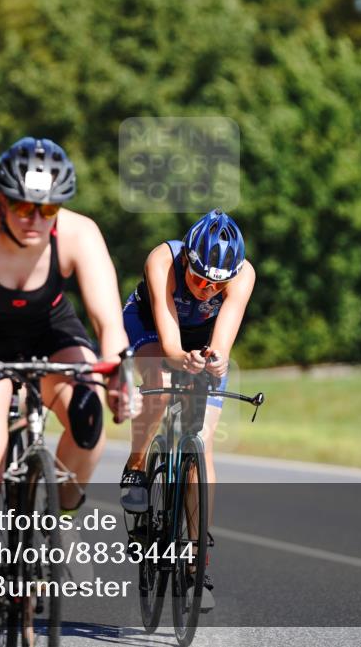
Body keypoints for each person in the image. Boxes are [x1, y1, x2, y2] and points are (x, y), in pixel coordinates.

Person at [0, 137, 133, 646]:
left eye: (47, 209)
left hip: (52, 336)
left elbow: (108, 321)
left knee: (89, 420)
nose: (35, 219)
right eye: (23, 206)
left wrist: (119, 375)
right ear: (1, 201)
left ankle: (58, 514)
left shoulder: (79, 233)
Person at [119, 209, 255, 610]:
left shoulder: (243, 275)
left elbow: (223, 342)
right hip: (150, 326)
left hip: (201, 337)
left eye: (218, 284)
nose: (207, 289)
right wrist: (181, 358)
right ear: (186, 261)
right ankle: (137, 464)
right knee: (160, 386)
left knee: (201, 444)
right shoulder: (162, 260)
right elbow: (169, 340)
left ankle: (196, 562)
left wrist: (215, 362)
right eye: (198, 278)